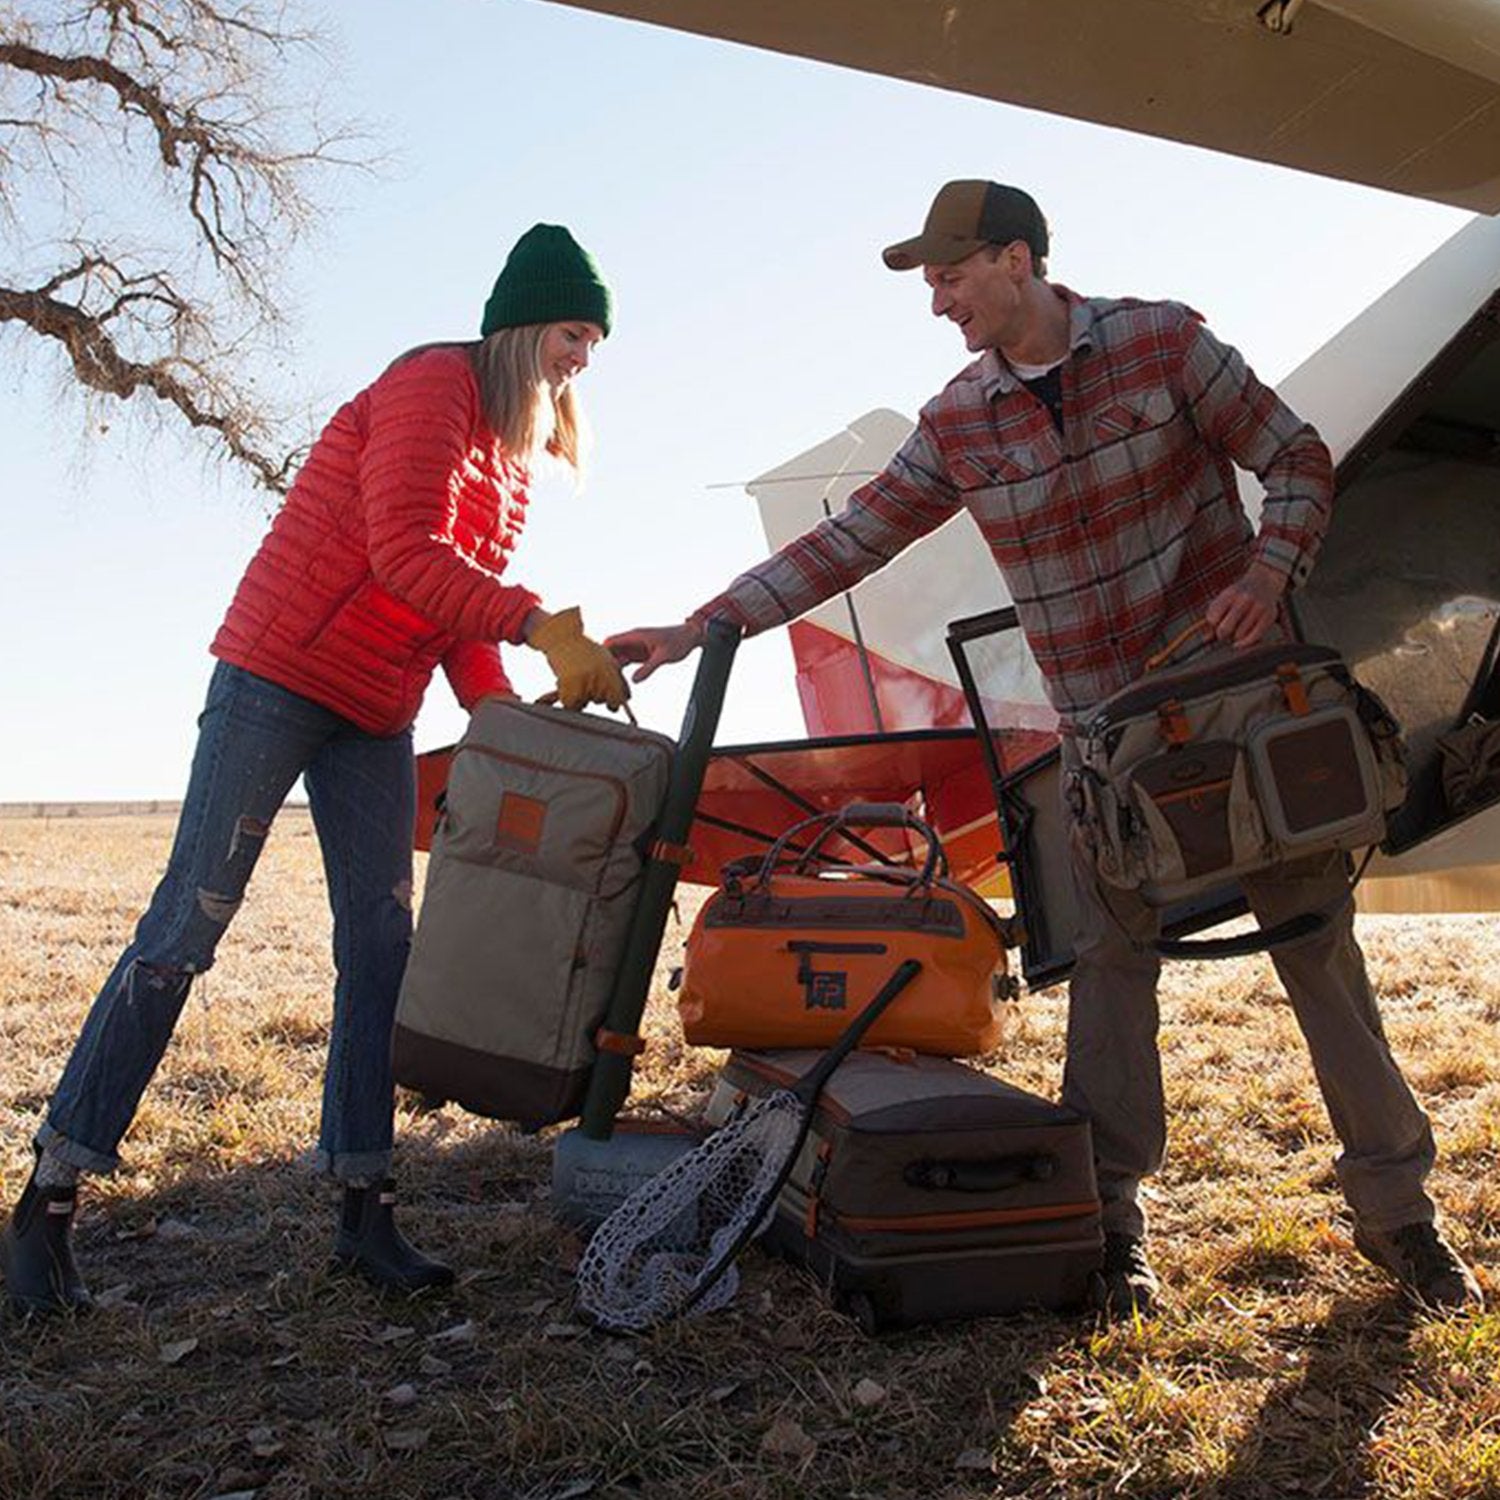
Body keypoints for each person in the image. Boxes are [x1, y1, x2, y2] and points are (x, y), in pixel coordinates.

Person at [609, 180, 1483, 1316]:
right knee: (1114, 976)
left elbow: (1298, 457)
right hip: (1111, 754)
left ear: (1017, 260)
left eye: (952, 273)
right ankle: (1112, 1225)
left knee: (1317, 947)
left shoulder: (1165, 343)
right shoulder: (960, 423)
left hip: (1239, 715)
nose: (939, 301)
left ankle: (1399, 1219)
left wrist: (1272, 572)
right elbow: (850, 540)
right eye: (929, 281)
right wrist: (703, 623)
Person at [1, 223, 630, 1316]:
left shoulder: (514, 461)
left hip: (374, 715)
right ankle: (47, 1202)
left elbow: (453, 613)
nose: (585, 359)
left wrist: (511, 722)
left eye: (596, 343)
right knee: (183, 932)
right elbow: (402, 553)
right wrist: (539, 622)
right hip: (277, 679)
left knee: (383, 945)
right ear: (525, 327)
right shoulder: (433, 386)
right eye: (575, 334)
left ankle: (361, 1207)